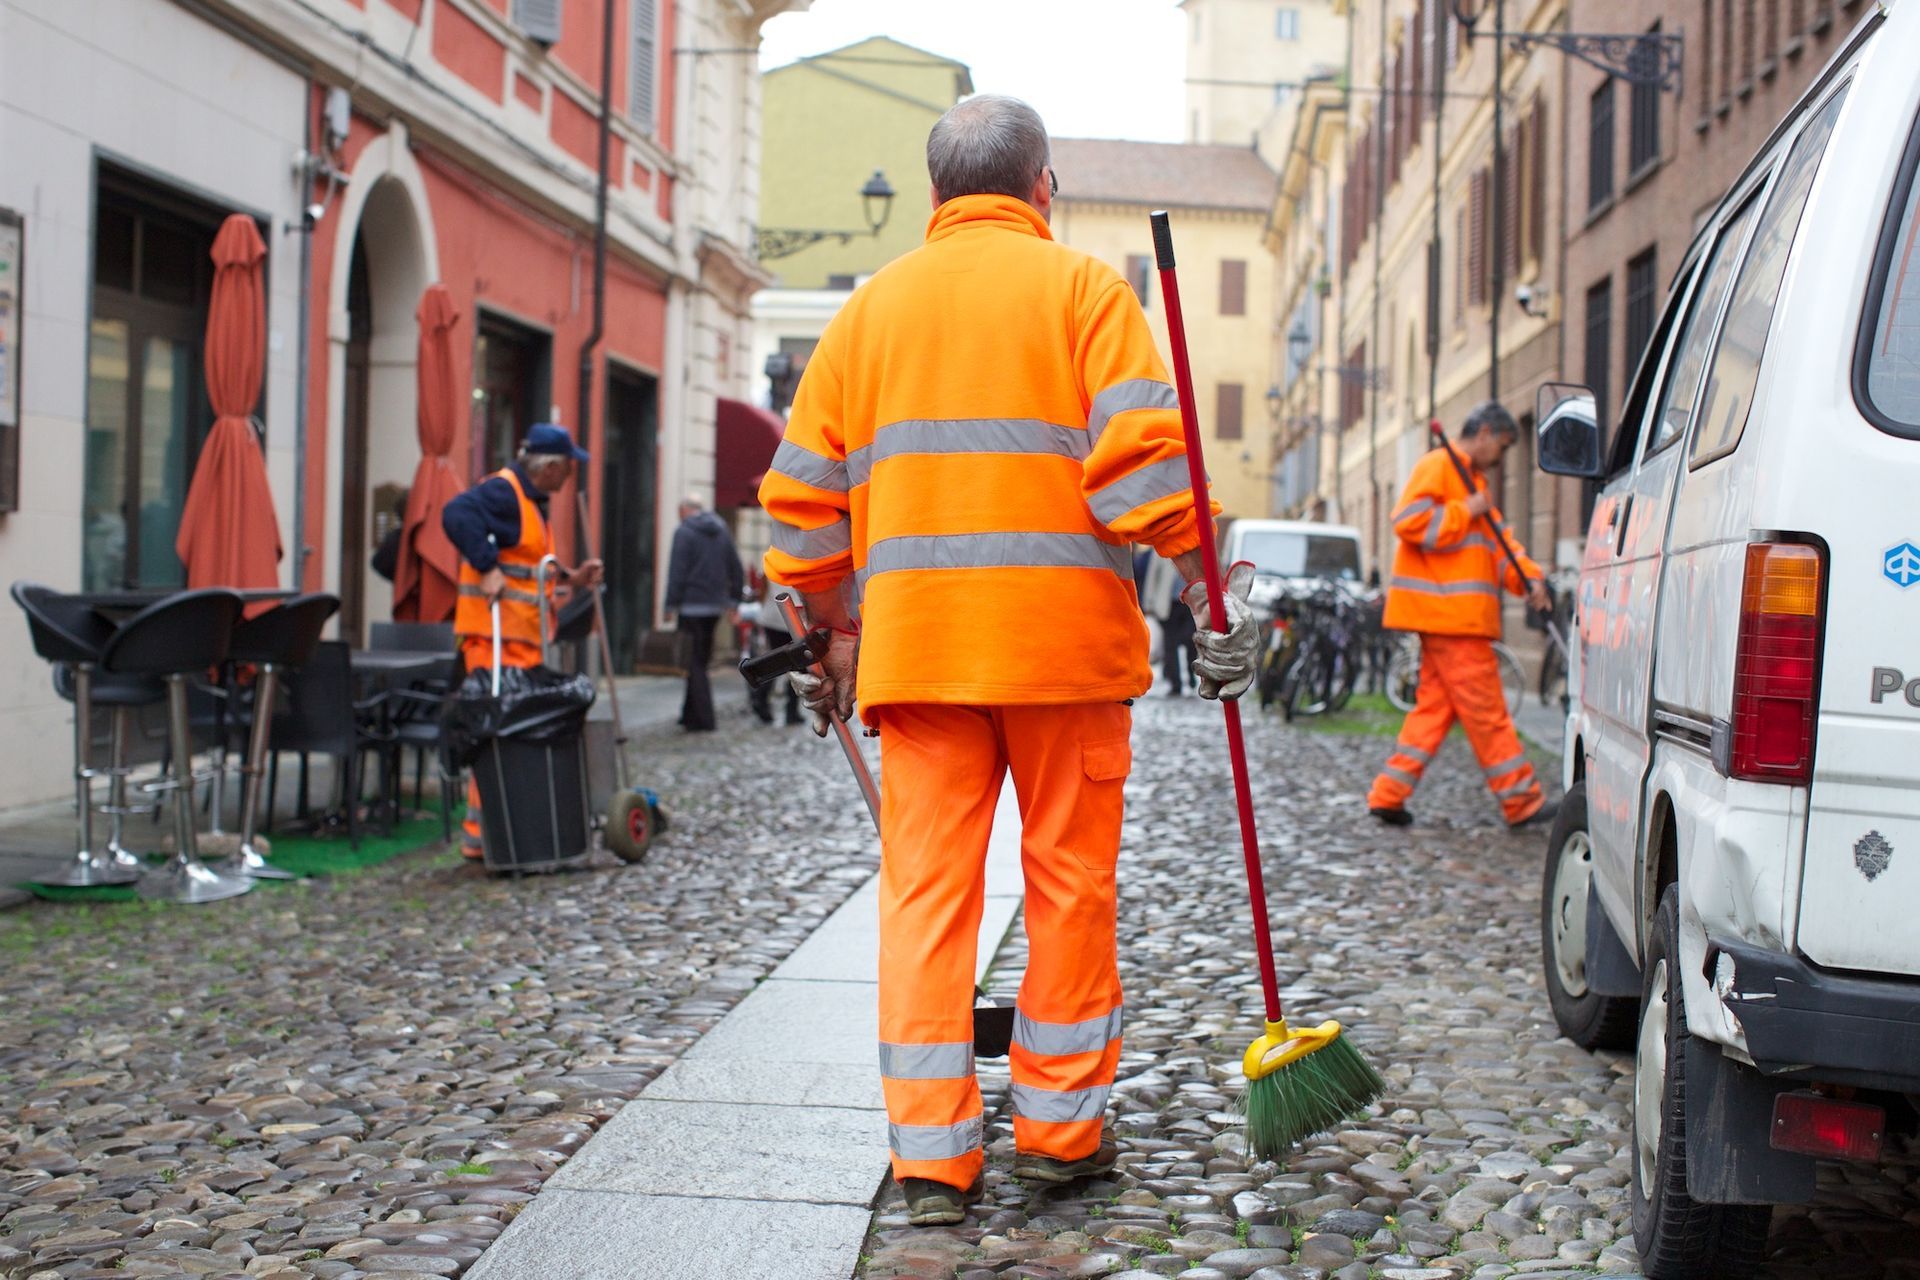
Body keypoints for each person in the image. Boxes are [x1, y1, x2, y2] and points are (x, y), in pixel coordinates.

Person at [757, 95, 1259, 1228]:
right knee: (1067, 891)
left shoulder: (868, 313)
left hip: (921, 661)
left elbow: (797, 508)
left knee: (925, 901)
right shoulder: (1085, 292)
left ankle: (934, 1160)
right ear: (1044, 190)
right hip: (1064, 661)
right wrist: (1206, 571)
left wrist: (837, 626)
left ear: (934, 196)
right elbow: (1139, 477)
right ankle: (1060, 1137)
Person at [1368, 402, 1554, 829]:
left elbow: (1499, 547)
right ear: (1486, 432)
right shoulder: (1440, 466)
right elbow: (1408, 521)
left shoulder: (1473, 484)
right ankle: (1521, 801)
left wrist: (1531, 581)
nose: (1502, 457)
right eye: (1503, 446)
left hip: (1452, 619)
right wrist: (1463, 510)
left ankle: (1388, 794)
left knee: (1432, 711)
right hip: (1452, 619)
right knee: (1488, 712)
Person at [442, 424, 602, 859]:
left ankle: (502, 829)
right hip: (494, 640)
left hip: (518, 640)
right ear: (550, 467)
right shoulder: (503, 493)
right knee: (493, 732)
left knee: (509, 733)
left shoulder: (529, 502)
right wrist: (486, 564)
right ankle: (484, 837)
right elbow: (455, 514)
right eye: (568, 467)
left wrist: (571, 577)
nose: (571, 476)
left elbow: (529, 567)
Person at [662, 496, 744, 732]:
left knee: (693, 662)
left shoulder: (684, 533)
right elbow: (735, 566)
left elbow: (676, 571)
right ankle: (688, 714)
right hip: (714, 607)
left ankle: (705, 718)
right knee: (699, 659)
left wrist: (670, 605)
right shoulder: (721, 530)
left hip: (690, 606)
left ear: (684, 510)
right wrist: (733, 600)